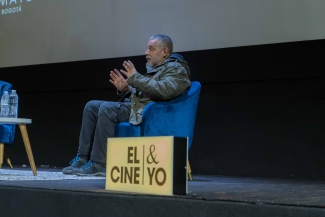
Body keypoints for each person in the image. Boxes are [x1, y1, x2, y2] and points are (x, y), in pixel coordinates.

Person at [62, 34, 191, 176]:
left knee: (107, 109)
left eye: (151, 49)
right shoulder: (157, 69)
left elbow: (164, 90)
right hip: (136, 107)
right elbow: (145, 91)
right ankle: (82, 157)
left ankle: (99, 163)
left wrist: (135, 78)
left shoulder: (177, 70)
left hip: (150, 113)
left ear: (164, 52)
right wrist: (125, 88)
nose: (146, 52)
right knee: (91, 106)